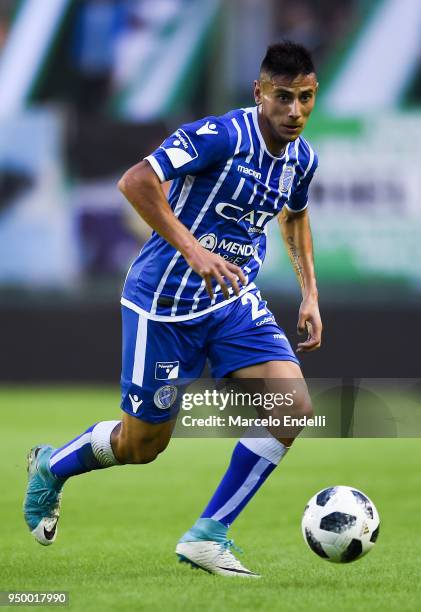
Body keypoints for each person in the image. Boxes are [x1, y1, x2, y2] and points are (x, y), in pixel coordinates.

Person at [24, 41, 322, 578]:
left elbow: (294, 217)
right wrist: (193, 249)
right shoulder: (221, 135)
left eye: (304, 98)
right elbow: (136, 180)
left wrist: (310, 294)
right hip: (162, 304)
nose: (294, 111)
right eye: (282, 97)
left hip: (233, 303)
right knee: (141, 445)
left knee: (293, 408)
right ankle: (52, 465)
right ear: (259, 92)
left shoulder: (302, 157)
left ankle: (209, 535)